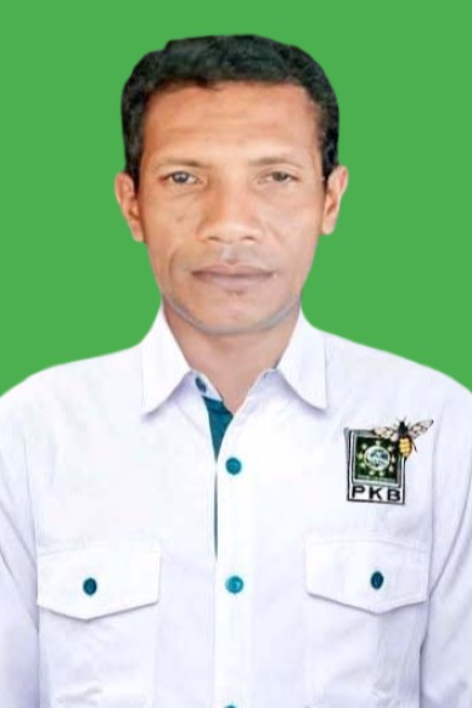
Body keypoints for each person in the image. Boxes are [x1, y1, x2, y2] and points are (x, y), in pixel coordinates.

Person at [0, 33, 471, 708]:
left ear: (330, 199)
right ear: (131, 203)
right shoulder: (29, 434)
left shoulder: (431, 426)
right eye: (184, 179)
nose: (229, 226)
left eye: (275, 178)